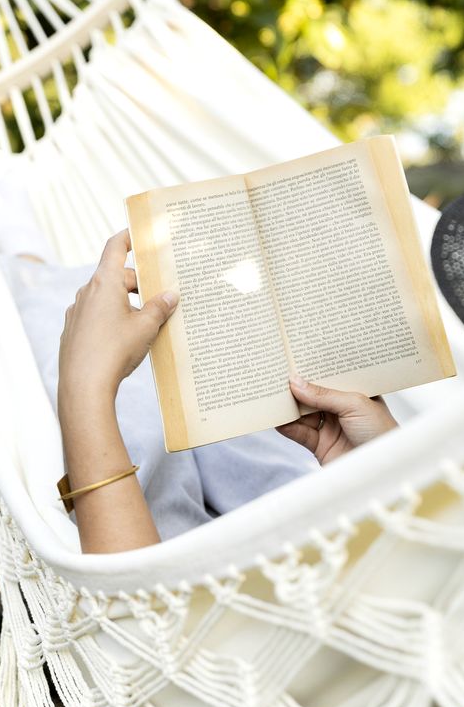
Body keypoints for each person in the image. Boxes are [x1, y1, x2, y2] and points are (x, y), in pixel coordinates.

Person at [57, 229, 397, 553]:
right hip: (320, 499)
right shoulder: (425, 519)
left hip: (208, 557)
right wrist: (382, 468)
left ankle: (28, 263)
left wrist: (83, 381)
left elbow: (135, 603)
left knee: (146, 439)